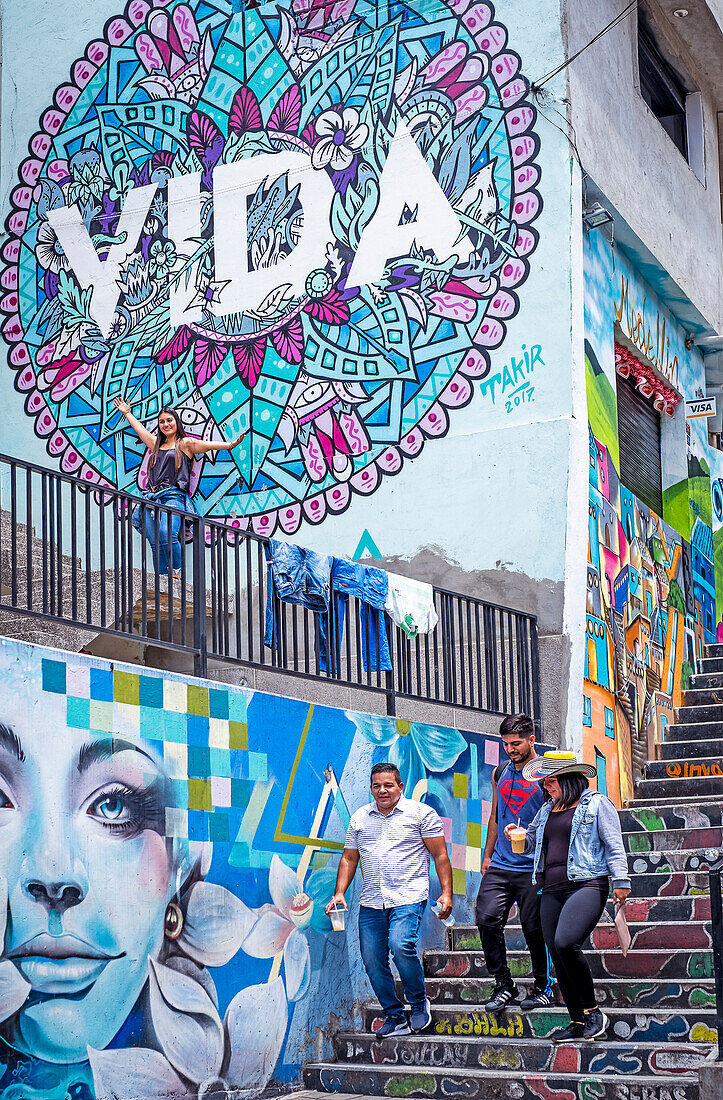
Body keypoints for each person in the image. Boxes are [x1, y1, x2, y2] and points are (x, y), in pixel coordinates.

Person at [504, 751, 631, 1043]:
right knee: (557, 955)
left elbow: (613, 845)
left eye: (551, 781)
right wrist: (516, 835)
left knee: (566, 942)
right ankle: (576, 1021)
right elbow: (531, 844)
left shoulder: (597, 804)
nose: (546, 786)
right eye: (545, 782)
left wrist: (621, 880)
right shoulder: (547, 810)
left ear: (568, 779)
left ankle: (593, 1012)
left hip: (587, 884)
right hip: (551, 888)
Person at [325, 762, 453, 1037]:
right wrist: (339, 893)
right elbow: (349, 858)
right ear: (371, 788)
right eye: (376, 786)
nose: (382, 791)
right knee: (372, 960)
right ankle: (394, 1016)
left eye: (388, 785)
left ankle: (418, 1004)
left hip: (408, 896)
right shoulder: (360, 817)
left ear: (400, 786)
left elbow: (440, 856)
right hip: (372, 901)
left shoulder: (421, 814)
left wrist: (446, 893)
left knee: (400, 944)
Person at [113, 398, 246, 578]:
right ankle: (161, 578)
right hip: (150, 497)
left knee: (166, 532)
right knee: (155, 541)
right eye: (162, 422)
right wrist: (127, 413)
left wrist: (230, 445)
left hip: (173, 496)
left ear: (176, 422)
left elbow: (207, 445)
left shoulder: (185, 444)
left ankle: (176, 573)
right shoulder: (155, 444)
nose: (166, 424)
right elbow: (140, 430)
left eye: (169, 420)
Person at [475, 714, 554, 1012]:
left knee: (533, 926)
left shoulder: (546, 772)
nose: (510, 749)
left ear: (532, 740)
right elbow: (495, 816)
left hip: (534, 866)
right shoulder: (500, 773)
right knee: (485, 918)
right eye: (506, 743)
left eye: (516, 743)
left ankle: (543, 985)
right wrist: (486, 855)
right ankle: (503, 984)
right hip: (501, 864)